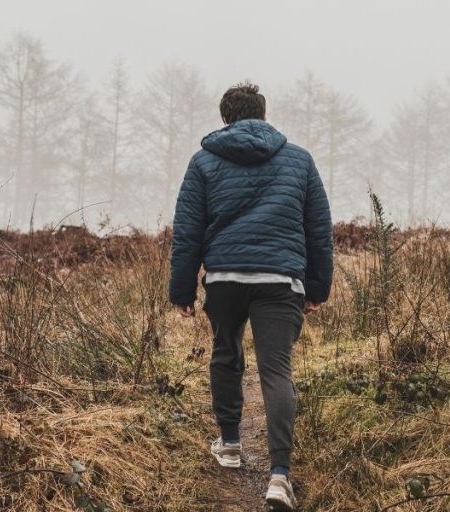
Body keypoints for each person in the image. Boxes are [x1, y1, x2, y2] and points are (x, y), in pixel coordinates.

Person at [168, 82, 333, 511]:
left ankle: (230, 444)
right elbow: (319, 230)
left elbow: (187, 232)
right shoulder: (299, 160)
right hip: (280, 280)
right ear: (263, 114)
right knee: (276, 370)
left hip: (223, 278)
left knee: (226, 352)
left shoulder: (203, 162)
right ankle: (279, 477)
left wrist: (182, 290)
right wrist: (318, 288)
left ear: (225, 118)